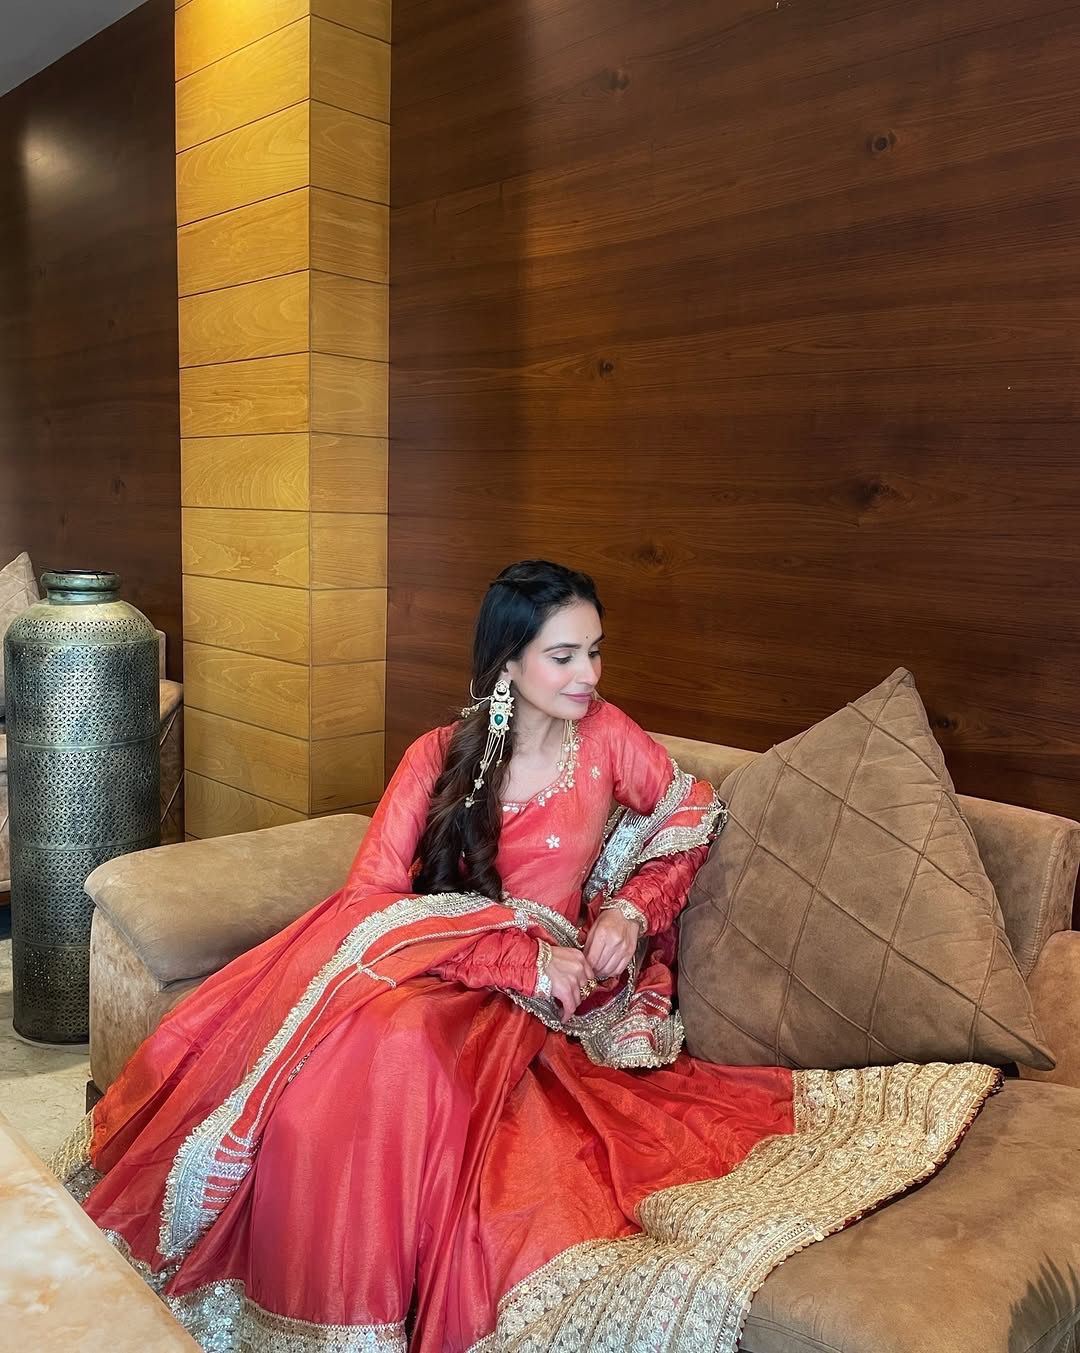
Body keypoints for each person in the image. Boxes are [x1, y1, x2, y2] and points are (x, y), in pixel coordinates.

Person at [51, 560, 1000, 1353]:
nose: (588, 674)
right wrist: (503, 957)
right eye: (564, 655)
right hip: (435, 958)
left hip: (542, 991)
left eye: (595, 650)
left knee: (402, 1055)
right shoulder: (437, 754)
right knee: (347, 1052)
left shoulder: (608, 739)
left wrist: (628, 907)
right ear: (508, 662)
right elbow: (372, 893)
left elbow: (691, 806)